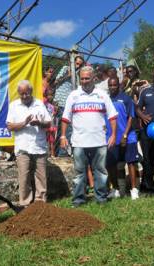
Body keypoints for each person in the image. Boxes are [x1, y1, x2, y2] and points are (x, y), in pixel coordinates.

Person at [60, 66, 117, 207]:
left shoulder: (102, 95)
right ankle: (78, 200)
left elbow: (112, 116)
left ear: (93, 79)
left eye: (87, 78)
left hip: (99, 141)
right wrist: (62, 136)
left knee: (101, 172)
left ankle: (101, 199)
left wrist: (113, 135)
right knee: (79, 174)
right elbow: (65, 118)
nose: (84, 81)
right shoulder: (73, 95)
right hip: (79, 142)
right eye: (82, 78)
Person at [6, 80, 52, 207]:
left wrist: (39, 123)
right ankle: (25, 204)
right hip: (23, 147)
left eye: (26, 93)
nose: (24, 96)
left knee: (41, 177)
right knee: (24, 177)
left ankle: (40, 203)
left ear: (31, 92)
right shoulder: (14, 105)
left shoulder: (39, 104)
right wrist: (24, 123)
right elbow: (9, 126)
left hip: (39, 146)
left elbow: (48, 123)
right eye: (21, 94)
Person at [106, 77, 140, 200]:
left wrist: (125, 135)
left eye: (114, 85)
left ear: (119, 85)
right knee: (110, 164)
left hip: (128, 137)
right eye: (110, 85)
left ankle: (134, 190)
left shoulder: (126, 98)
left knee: (131, 163)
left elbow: (131, 117)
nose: (112, 87)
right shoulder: (106, 99)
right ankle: (115, 189)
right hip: (112, 138)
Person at [54, 55, 85, 157]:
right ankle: (62, 153)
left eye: (80, 65)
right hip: (62, 103)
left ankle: (61, 152)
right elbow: (55, 82)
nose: (77, 67)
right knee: (65, 129)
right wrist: (68, 75)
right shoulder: (65, 69)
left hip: (70, 105)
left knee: (66, 129)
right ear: (72, 62)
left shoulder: (77, 75)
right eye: (76, 64)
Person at [44, 87, 58, 157]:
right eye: (48, 95)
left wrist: (55, 109)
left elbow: (54, 114)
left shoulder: (53, 106)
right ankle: (46, 154)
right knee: (46, 140)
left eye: (51, 95)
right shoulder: (44, 105)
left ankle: (53, 154)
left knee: (52, 141)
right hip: (46, 125)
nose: (50, 97)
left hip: (52, 125)